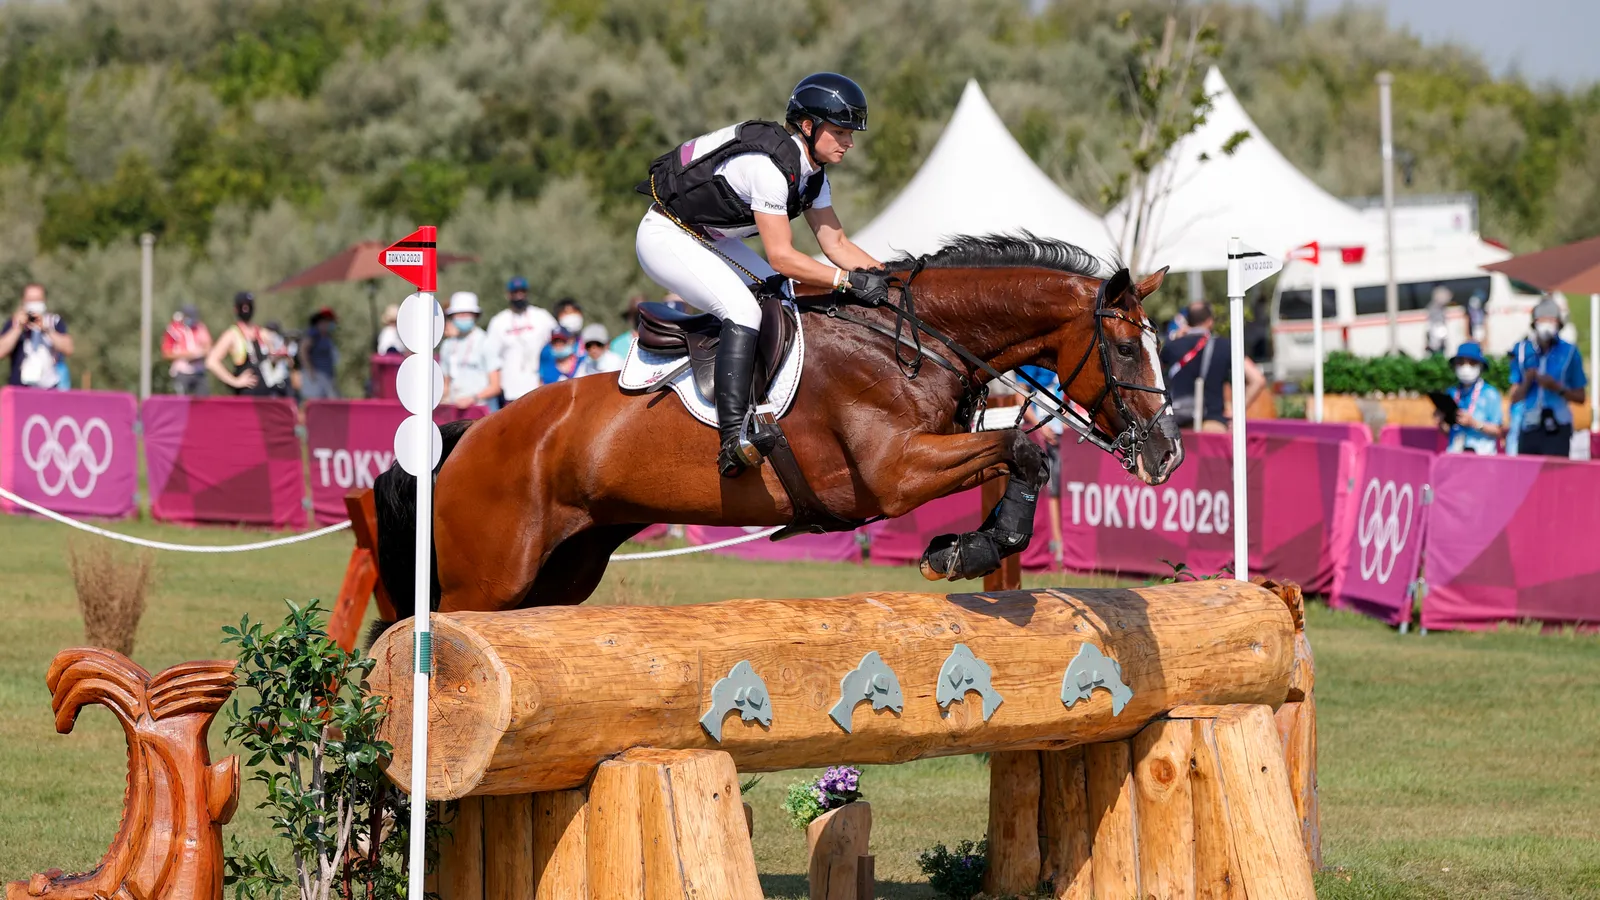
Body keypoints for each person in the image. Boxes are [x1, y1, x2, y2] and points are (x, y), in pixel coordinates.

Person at [635, 72, 887, 476]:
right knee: (744, 311)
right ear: (808, 126)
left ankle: (767, 404)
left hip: (706, 237)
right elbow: (783, 257)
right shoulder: (768, 169)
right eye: (840, 132)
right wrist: (845, 281)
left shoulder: (812, 174)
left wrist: (891, 280)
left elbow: (836, 245)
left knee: (781, 298)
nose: (849, 143)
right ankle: (733, 439)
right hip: (666, 235)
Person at [1159, 301, 1266, 432]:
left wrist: (1175, 337)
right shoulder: (1225, 346)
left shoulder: (1171, 347)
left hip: (1179, 426)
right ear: (1210, 321)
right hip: (1213, 424)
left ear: (1187, 321)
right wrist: (1235, 411)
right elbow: (1258, 379)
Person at [1508, 296, 1587, 457]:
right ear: (1534, 323)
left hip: (1558, 426)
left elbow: (1581, 397)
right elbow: (1514, 396)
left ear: (1558, 323)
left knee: (1554, 479)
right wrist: (1528, 381)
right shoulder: (1522, 351)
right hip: (1529, 425)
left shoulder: (1570, 352)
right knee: (1528, 478)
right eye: (1542, 320)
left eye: (1551, 321)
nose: (1546, 325)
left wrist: (1557, 388)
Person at [486, 275, 556, 403]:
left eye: (522, 292)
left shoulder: (542, 316)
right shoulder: (499, 321)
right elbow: (491, 356)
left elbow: (557, 344)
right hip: (510, 391)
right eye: (515, 292)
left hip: (539, 388)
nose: (519, 296)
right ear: (508, 295)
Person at [0, 284, 74, 389]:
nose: (34, 304)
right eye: (30, 299)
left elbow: (68, 348)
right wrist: (17, 328)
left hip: (49, 388)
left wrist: (46, 329)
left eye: (37, 299)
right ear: (23, 301)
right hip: (20, 387)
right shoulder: (14, 322)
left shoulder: (54, 322)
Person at [206, 291, 279, 396]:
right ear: (236, 309)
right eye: (243, 306)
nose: (246, 309)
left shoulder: (262, 333)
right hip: (246, 396)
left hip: (267, 395)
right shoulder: (232, 334)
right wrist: (234, 381)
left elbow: (273, 360)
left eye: (248, 306)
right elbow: (211, 362)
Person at [1436, 342, 1503, 454]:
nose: (1465, 367)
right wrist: (1441, 422)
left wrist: (1474, 423)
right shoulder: (1452, 392)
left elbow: (1498, 431)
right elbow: (1449, 432)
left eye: (1472, 363)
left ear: (1480, 366)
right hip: (1456, 455)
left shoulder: (1490, 393)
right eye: (1461, 362)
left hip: (1482, 457)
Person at [440, 292, 502, 410]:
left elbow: (495, 386)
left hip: (482, 412)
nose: (463, 317)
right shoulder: (448, 345)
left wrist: (473, 398)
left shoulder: (486, 342)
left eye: (466, 314)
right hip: (455, 411)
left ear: (475, 315)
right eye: (459, 314)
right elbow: (446, 384)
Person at [162, 304, 212, 395]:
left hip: (198, 371)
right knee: (181, 401)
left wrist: (201, 353)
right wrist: (187, 355)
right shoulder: (173, 329)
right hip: (182, 371)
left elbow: (208, 346)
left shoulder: (200, 327)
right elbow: (166, 353)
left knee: (204, 401)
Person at [299, 307, 341, 400]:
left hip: (327, 375)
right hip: (317, 375)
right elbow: (303, 350)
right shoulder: (313, 334)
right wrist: (309, 369)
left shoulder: (326, 336)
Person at [611, 293, 646, 358]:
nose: (639, 318)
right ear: (630, 318)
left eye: (642, 313)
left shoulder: (660, 341)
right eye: (636, 314)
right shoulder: (617, 345)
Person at [1424, 285, 1451, 356]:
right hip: (1435, 339)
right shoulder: (1434, 309)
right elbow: (1431, 326)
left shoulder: (1441, 308)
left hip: (1440, 339)